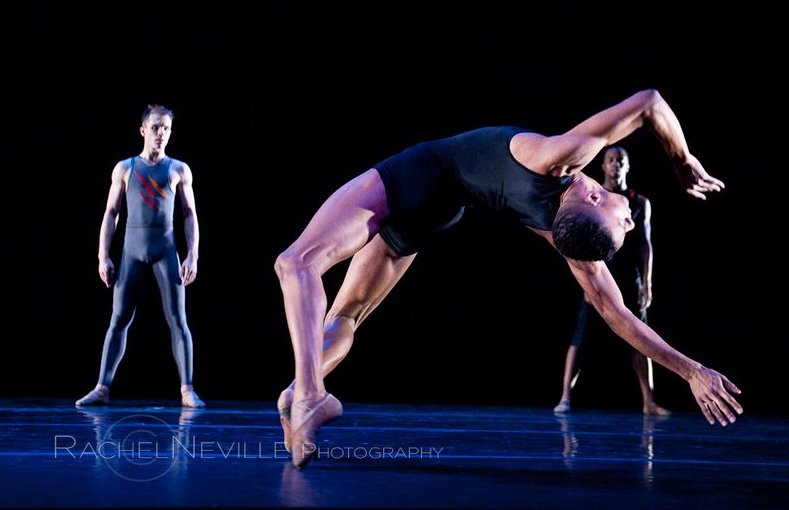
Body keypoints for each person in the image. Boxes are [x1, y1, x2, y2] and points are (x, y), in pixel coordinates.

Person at [274, 89, 742, 468]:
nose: (632, 221)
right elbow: (616, 312)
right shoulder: (560, 198)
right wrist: (682, 158)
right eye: (627, 226)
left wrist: (681, 160)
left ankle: (310, 394)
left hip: (419, 177)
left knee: (296, 263)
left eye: (626, 227)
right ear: (596, 201)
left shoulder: (563, 171)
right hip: (439, 211)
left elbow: (649, 103)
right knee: (347, 317)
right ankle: (299, 395)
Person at [76, 105, 205, 408]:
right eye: (157, 127)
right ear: (143, 129)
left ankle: (187, 389)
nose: (162, 134)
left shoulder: (178, 169)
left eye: (167, 129)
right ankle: (102, 388)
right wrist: (102, 255)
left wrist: (192, 255)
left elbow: (189, 214)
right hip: (132, 251)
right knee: (118, 319)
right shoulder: (125, 168)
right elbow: (111, 212)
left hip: (166, 250)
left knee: (177, 320)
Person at [554, 146, 669, 415]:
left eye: (621, 160)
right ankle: (565, 397)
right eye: (610, 160)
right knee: (580, 338)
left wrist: (647, 283)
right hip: (597, 271)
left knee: (639, 336)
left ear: (627, 166)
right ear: (603, 166)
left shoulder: (639, 202)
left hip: (630, 276)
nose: (616, 164)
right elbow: (575, 236)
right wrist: (587, 282)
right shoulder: (592, 197)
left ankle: (648, 401)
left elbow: (645, 244)